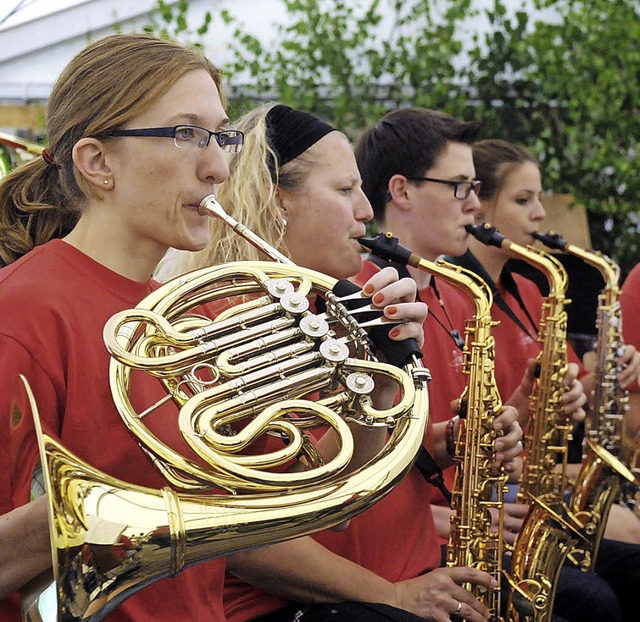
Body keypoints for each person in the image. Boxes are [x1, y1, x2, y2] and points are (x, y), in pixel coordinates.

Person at [0, 38, 427, 620]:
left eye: (220, 136)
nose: (219, 167)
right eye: (185, 134)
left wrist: (379, 379)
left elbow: (310, 502)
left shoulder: (178, 318)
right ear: (98, 163)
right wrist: (142, 495)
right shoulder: (24, 313)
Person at [164, 103, 524, 622]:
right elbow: (245, 537)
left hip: (393, 580)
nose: (365, 211)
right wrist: (394, 597)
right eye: (343, 191)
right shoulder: (219, 319)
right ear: (276, 200)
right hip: (309, 604)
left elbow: (339, 478)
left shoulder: (331, 304)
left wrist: (439, 440)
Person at [355, 109, 632, 622]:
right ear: (402, 191)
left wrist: (524, 405)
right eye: (460, 187)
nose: (474, 205)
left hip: (471, 518)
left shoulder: (459, 297)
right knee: (597, 597)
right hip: (423, 539)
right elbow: (370, 459)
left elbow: (470, 431)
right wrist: (442, 518)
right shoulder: (362, 297)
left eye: (476, 187)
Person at [463, 137, 640, 620]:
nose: (541, 214)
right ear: (477, 204)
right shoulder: (465, 298)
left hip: (534, 482)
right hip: (500, 492)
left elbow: (573, 385)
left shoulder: (524, 287)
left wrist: (608, 366)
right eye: (524, 200)